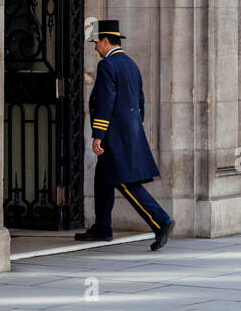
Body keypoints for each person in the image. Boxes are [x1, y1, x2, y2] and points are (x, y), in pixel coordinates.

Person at [74, 20, 175, 251]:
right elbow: (140, 100)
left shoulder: (107, 65)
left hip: (114, 134)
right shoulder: (130, 64)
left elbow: (105, 101)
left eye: (96, 42)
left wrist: (98, 135)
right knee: (103, 179)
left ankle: (161, 221)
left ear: (106, 40)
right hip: (128, 131)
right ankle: (102, 227)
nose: (94, 47)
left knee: (124, 182)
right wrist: (133, 128)